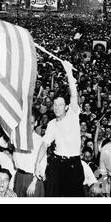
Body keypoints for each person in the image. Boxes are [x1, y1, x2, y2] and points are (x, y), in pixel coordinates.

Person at [34, 60, 85, 197]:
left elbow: (74, 95)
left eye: (60, 105)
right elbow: (44, 144)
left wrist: (68, 71)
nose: (57, 108)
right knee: (52, 195)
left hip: (73, 164)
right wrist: (37, 164)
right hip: (56, 163)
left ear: (66, 107)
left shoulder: (72, 115)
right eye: (55, 105)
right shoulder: (51, 124)